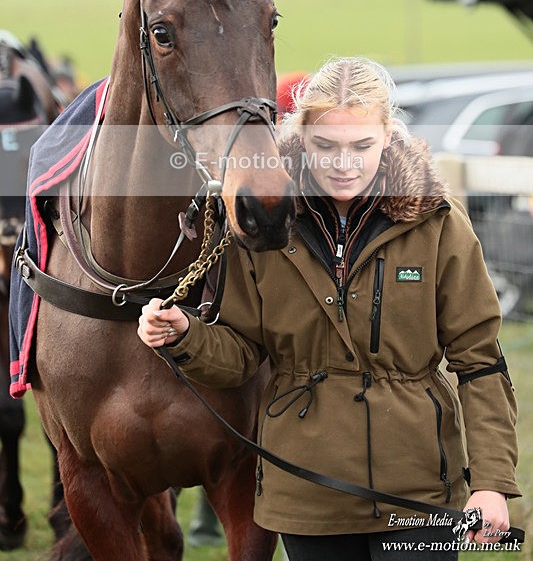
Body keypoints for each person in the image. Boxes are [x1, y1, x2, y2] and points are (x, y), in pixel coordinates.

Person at [138, 57, 520, 561]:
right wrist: (185, 334)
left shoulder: (440, 225)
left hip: (420, 492)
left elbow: (481, 362)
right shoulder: (262, 227)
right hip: (306, 495)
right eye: (326, 146)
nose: (344, 163)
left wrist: (492, 482)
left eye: (361, 146)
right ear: (301, 135)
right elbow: (241, 355)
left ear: (388, 136)